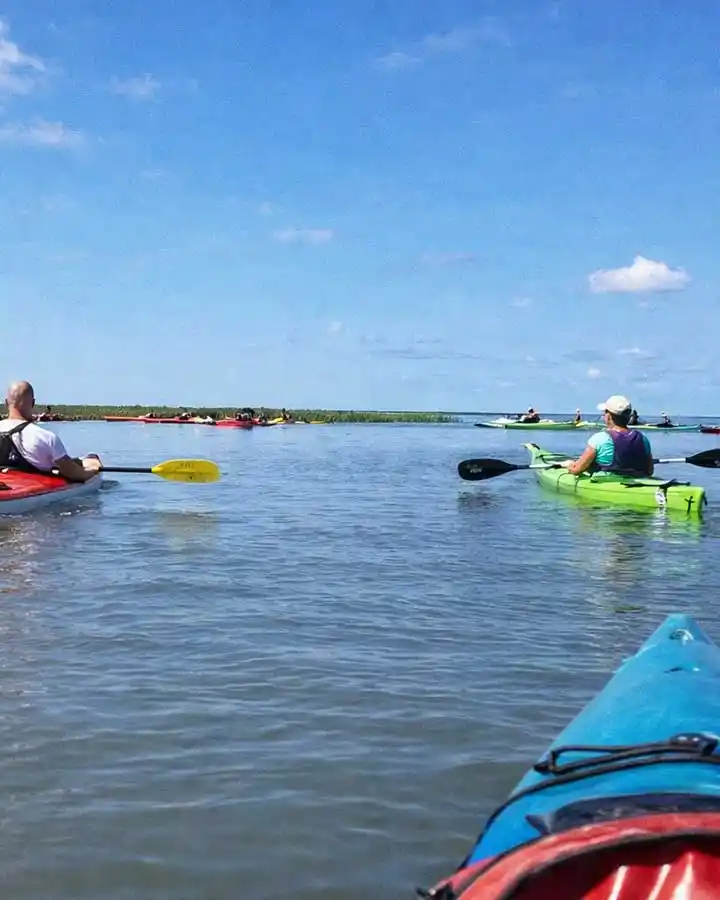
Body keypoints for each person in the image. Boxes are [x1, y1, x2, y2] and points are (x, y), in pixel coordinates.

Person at [0, 381, 101, 482]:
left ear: (6, 403)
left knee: (83, 460)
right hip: (35, 485)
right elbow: (74, 473)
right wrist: (92, 472)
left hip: (7, 481)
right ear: (33, 403)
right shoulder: (46, 437)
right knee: (92, 460)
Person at [561, 395, 653, 477]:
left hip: (607, 483)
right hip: (640, 482)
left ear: (608, 416)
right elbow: (650, 471)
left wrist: (569, 465)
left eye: (605, 412)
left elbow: (577, 469)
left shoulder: (599, 439)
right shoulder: (643, 439)